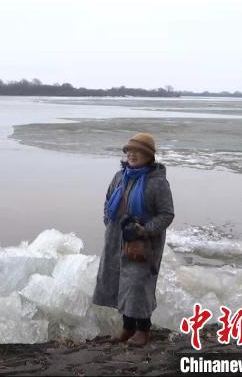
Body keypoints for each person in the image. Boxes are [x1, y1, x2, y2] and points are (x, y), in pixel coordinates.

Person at [92, 133, 175, 346]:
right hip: (116, 239)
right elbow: (108, 200)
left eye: (137, 151)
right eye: (129, 151)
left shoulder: (157, 183)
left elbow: (167, 214)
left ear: (148, 156)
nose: (131, 154)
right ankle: (127, 328)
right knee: (122, 282)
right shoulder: (120, 177)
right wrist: (108, 221)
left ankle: (143, 330)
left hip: (144, 244)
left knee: (139, 284)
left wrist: (145, 230)